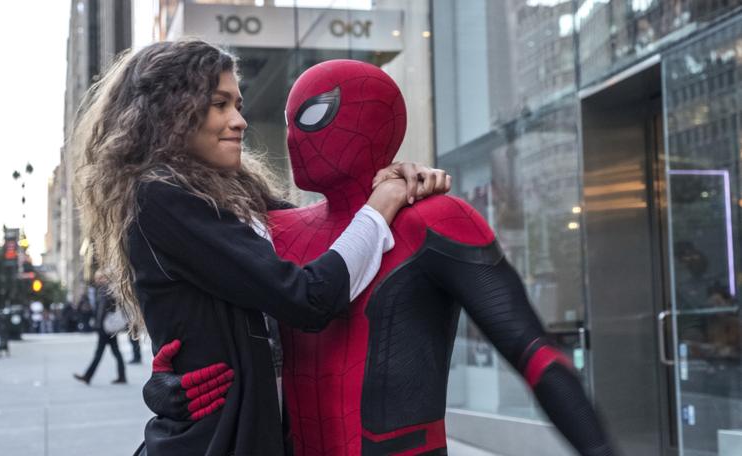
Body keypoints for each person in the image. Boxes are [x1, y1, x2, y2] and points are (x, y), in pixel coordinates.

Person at [146, 60, 615, 456]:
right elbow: (201, 306)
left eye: (311, 115)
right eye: (289, 122)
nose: (292, 138)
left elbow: (533, 352)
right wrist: (172, 383)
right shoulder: (271, 228)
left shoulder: (433, 220)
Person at [72, 40, 449, 456]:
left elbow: (328, 237)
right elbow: (307, 296)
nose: (240, 120)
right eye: (220, 104)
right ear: (171, 112)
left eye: (238, 104)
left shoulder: (233, 191)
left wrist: (399, 179)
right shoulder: (161, 198)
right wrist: (383, 203)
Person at [73, 270, 126, 385]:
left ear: (105, 278)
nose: (97, 280)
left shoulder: (104, 290)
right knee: (116, 352)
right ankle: (122, 376)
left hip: (104, 327)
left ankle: (88, 376)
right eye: (97, 278)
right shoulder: (109, 289)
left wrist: (98, 325)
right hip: (109, 327)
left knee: (100, 353)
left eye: (100, 278)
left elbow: (102, 310)